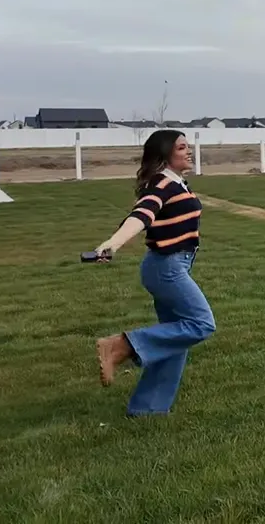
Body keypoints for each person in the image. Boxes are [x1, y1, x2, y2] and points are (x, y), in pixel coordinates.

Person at [91, 129, 215, 417]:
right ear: (165, 154)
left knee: (175, 338)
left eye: (187, 146)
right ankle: (121, 345)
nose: (189, 151)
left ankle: (147, 408)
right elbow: (141, 216)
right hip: (166, 268)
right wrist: (113, 243)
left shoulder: (178, 183)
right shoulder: (162, 184)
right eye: (181, 147)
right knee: (201, 324)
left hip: (173, 265)